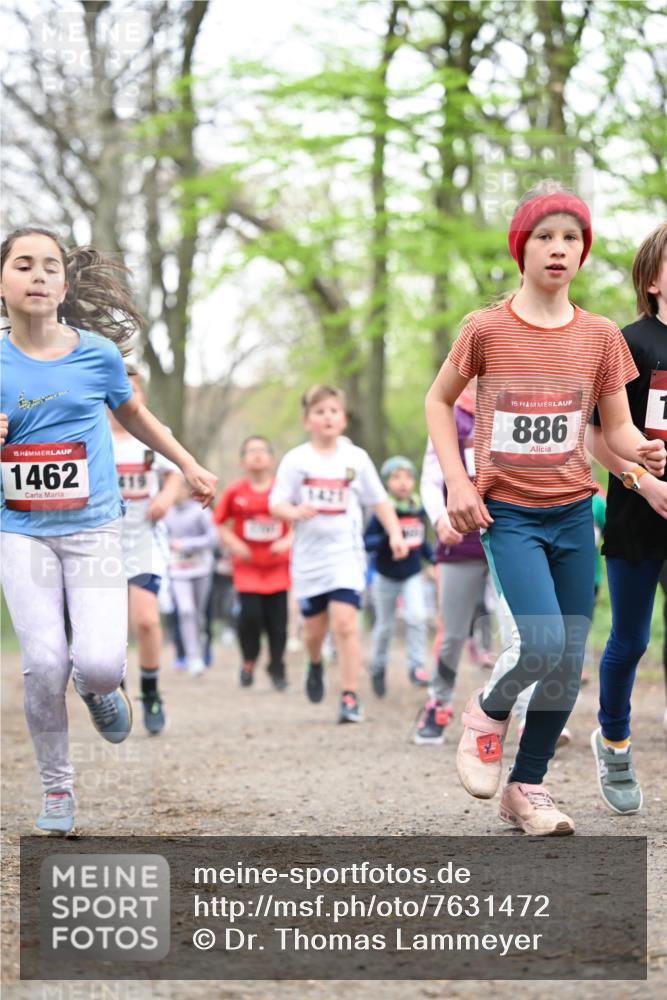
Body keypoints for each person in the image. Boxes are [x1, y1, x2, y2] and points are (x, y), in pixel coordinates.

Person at [425, 182, 665, 836]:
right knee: (540, 643)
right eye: (544, 237)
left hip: (569, 511)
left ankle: (525, 788)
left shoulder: (597, 337)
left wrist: (639, 451)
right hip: (508, 512)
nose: (558, 250)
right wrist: (457, 482)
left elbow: (613, 432)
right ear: (520, 247)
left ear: (582, 252)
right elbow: (436, 401)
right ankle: (485, 711)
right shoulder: (486, 328)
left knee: (567, 659)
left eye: (570, 239)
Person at [0, 228, 216, 834]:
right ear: (2, 284)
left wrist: (188, 463)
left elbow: (135, 416)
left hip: (96, 528)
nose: (38, 275)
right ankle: (58, 790)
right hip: (21, 531)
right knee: (43, 666)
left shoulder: (96, 353)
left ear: (65, 285)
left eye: (50, 266)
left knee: (95, 664)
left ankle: (101, 689)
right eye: (23, 265)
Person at [584, 222, 667, 813]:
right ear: (653, 278)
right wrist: (643, 482)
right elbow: (594, 436)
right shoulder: (628, 342)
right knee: (631, 639)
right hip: (640, 510)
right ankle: (614, 743)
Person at [269, 385, 409, 723]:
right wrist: (294, 511)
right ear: (307, 421)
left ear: (343, 419)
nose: (327, 417)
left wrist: (395, 534)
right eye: (319, 412)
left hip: (346, 554)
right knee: (314, 632)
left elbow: (379, 501)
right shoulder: (297, 460)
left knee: (346, 623)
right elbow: (275, 503)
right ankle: (314, 663)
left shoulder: (356, 459)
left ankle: (349, 695)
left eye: (333, 410)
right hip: (308, 558)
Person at [417, 383, 510, 745]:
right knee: (453, 632)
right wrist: (439, 518)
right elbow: (429, 478)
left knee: (516, 629)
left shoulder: (511, 408)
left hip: (508, 535)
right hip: (459, 537)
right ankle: (438, 704)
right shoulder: (448, 415)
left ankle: (521, 714)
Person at [109, 366, 182, 734]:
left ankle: (151, 690)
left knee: (147, 620)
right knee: (109, 626)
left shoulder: (155, 435)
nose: (126, 396)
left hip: (143, 538)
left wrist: (166, 499)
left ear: (142, 398)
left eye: (133, 389)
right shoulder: (92, 434)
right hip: (100, 541)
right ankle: (113, 689)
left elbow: (176, 475)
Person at [213, 435, 292, 690]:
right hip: (247, 569)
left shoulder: (283, 489)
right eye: (251, 451)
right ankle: (249, 659)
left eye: (262, 450)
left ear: (272, 459)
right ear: (242, 462)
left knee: (278, 625)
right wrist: (233, 543)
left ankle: (277, 666)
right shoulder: (235, 491)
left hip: (278, 567)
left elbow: (300, 521)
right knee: (251, 618)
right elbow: (217, 522)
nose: (257, 455)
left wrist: (287, 541)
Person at [363, 455, 433, 697]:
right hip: (386, 576)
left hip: (412, 574)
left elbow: (421, 541)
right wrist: (388, 539)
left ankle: (417, 666)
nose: (403, 482)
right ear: (386, 483)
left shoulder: (418, 507)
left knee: (417, 616)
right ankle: (378, 666)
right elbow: (367, 542)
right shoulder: (382, 512)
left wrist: (433, 560)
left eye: (407, 477)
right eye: (396, 477)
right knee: (385, 626)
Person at [163, 480, 218, 677]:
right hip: (178, 570)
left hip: (201, 568)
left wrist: (186, 544)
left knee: (200, 615)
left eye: (176, 488)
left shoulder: (200, 510)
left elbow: (212, 538)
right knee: (186, 611)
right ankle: (193, 658)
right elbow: (160, 537)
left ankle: (202, 648)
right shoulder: (166, 512)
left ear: (186, 490)